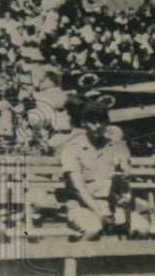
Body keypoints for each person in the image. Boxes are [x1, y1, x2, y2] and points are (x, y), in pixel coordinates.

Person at [59, 99, 148, 239]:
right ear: (83, 123)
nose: (97, 126)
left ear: (107, 123)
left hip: (111, 211)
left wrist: (124, 176)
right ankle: (77, 260)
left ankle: (125, 260)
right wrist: (99, 213)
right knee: (94, 228)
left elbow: (124, 189)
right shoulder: (72, 149)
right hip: (83, 209)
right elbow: (78, 189)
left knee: (141, 228)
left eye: (102, 121)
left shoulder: (116, 148)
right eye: (92, 122)